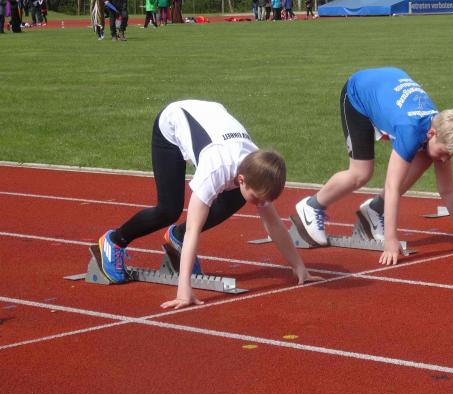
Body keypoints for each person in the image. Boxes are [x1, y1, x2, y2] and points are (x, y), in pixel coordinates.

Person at [97, 99, 322, 309]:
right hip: (172, 124)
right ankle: (114, 241)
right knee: (169, 210)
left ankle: (176, 239)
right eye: (258, 197)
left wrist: (299, 267)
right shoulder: (216, 170)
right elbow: (194, 229)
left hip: (213, 120)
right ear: (241, 179)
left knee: (239, 197)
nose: (262, 203)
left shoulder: (258, 171)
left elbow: (273, 224)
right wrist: (184, 290)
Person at [294, 67, 453, 266]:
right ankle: (312, 206)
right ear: (431, 134)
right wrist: (390, 240)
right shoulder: (411, 131)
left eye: (450, 156)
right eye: (445, 153)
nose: (445, 160)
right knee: (361, 172)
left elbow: (447, 189)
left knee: (428, 156)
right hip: (358, 94)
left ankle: (375, 209)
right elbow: (392, 186)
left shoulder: (441, 133)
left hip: (387, 87)